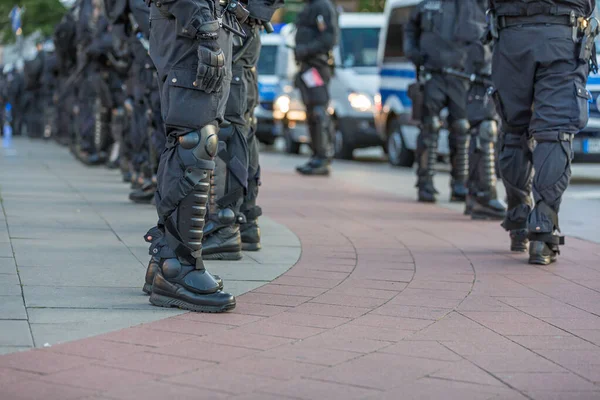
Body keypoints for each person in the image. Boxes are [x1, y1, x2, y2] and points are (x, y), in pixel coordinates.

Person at [141, 0, 243, 312]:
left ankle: (167, 263)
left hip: (201, 23)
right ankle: (178, 269)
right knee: (195, 141)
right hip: (192, 25)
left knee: (195, 137)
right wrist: (207, 30)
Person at [489, 0, 596, 264]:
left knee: (513, 131)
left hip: (511, 36)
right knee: (555, 133)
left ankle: (517, 221)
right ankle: (543, 232)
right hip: (562, 35)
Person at [404, 0, 484, 203]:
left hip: (461, 76)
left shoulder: (473, 5)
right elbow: (410, 29)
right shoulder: (427, 4)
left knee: (461, 129)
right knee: (429, 127)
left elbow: (484, 34)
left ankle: (460, 184)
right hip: (433, 74)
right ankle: (425, 184)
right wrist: (413, 53)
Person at [464, 36, 506, 220]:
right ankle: (484, 195)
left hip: (493, 67)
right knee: (484, 130)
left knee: (485, 133)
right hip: (477, 71)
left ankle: (476, 196)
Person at [294, 0, 338, 176]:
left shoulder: (322, 6)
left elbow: (329, 38)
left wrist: (305, 50)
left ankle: (323, 157)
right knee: (312, 112)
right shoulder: (311, 6)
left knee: (319, 111)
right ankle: (316, 156)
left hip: (316, 65)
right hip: (308, 66)